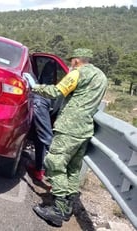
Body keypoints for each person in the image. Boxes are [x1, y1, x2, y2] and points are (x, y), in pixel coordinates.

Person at [25, 48, 108, 227]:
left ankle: (58, 209)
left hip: (69, 127)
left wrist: (35, 86)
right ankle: (68, 207)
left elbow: (57, 92)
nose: (71, 64)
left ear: (77, 60)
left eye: (72, 61)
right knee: (72, 169)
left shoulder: (78, 72)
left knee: (54, 163)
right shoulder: (101, 76)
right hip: (85, 128)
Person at [26, 60, 56, 181]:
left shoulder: (33, 80)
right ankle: (41, 169)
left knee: (45, 138)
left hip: (38, 102)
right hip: (42, 103)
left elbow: (56, 91)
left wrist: (35, 87)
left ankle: (52, 175)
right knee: (43, 138)